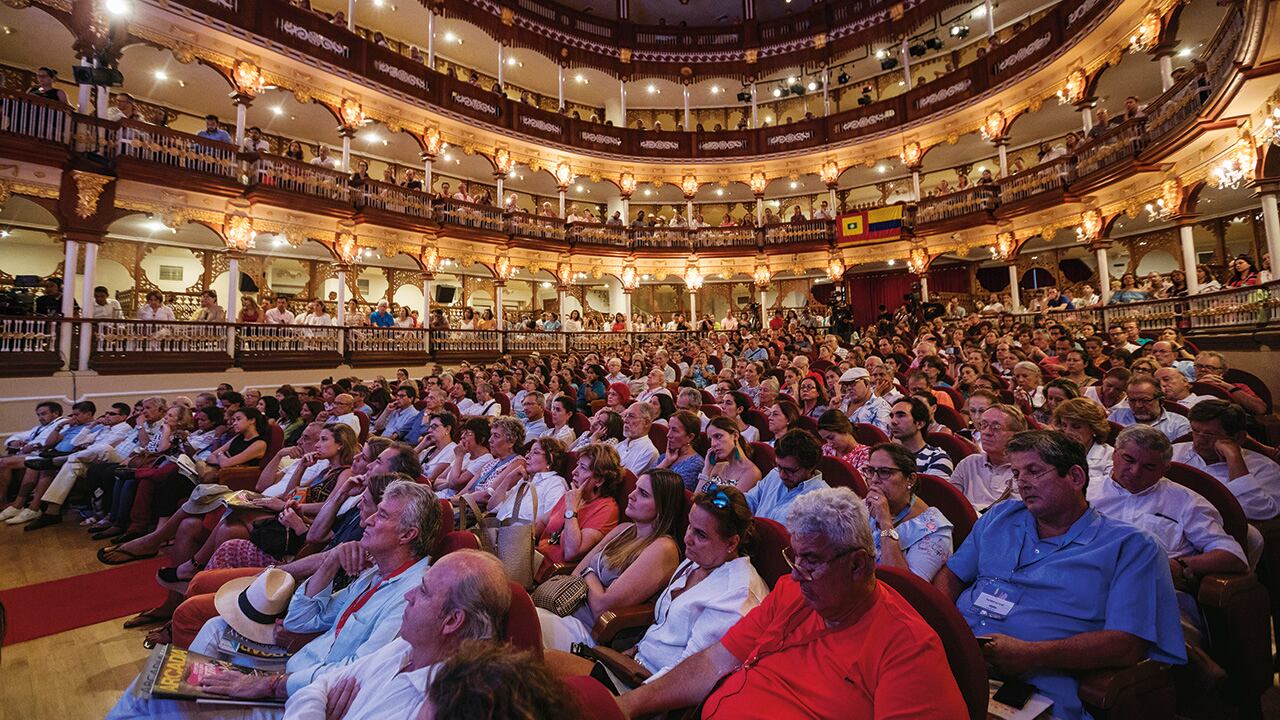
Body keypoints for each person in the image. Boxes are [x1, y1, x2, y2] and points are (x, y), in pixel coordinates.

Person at [616, 486, 968, 718]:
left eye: (811, 561)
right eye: (794, 557)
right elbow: (712, 662)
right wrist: (627, 706)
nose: (797, 573)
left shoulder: (907, 649)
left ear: (858, 564)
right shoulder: (791, 591)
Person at [106, 481, 443, 716]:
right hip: (295, 670)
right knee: (198, 642)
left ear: (407, 534)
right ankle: (198, 692)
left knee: (160, 697)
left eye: (381, 515)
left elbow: (355, 674)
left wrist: (266, 685)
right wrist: (330, 561)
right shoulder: (374, 573)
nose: (366, 521)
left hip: (300, 695)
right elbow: (300, 620)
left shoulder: (410, 595)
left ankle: (194, 700)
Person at [934, 430, 1186, 720]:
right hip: (952, 658)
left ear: (1076, 478)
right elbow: (952, 575)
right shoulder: (1000, 517)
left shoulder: (1131, 547)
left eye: (1034, 471)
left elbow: (1126, 644)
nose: (1022, 482)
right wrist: (943, 627)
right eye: (1017, 473)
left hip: (1033, 681)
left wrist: (1031, 654)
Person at [536, 468, 685, 651]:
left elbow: (601, 607)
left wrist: (589, 573)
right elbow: (575, 575)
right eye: (635, 489)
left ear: (663, 507)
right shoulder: (623, 529)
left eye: (643, 494)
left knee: (520, 621)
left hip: (590, 632)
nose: (631, 495)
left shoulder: (663, 548)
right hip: (565, 609)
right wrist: (594, 582)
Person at [1173, 400, 1280, 525]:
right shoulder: (1174, 452)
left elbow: (1260, 513)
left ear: (1239, 437)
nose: (1199, 441)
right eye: (1195, 431)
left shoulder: (1264, 468)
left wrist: (1234, 458)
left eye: (1209, 434)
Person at [863, 443, 953, 581]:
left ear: (910, 479)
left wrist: (886, 523)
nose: (874, 480)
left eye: (885, 472)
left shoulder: (935, 530)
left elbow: (907, 588)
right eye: (870, 471)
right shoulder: (865, 506)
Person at [534, 443, 623, 572]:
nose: (574, 472)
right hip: (535, 560)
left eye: (583, 468)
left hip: (554, 574)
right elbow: (542, 522)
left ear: (599, 480)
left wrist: (571, 509)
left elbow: (571, 552)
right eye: (577, 465)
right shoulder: (574, 495)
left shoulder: (607, 510)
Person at [949, 404, 1025, 511]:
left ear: (1016, 435)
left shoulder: (1026, 471)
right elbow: (949, 504)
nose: (986, 432)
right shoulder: (969, 463)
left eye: (996, 427)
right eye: (983, 425)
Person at [744, 428, 828, 522]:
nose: (782, 475)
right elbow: (749, 501)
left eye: (790, 470)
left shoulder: (822, 500)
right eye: (779, 466)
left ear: (810, 467)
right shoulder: (774, 474)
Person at [1052, 397, 1115, 487]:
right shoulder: (1055, 452)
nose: (1067, 432)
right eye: (1064, 425)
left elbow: (1108, 492)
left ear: (1093, 428)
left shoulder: (1110, 455)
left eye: (1076, 426)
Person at [1108, 377, 1190, 441]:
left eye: (1145, 400)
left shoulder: (1178, 424)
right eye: (1132, 400)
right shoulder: (1116, 416)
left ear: (1161, 400)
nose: (1138, 405)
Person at [887, 397, 954, 477]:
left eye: (901, 416)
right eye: (892, 416)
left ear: (919, 424)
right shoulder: (887, 455)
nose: (893, 421)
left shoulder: (937, 459)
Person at [1191, 351, 1268, 415]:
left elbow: (1260, 409)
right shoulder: (1187, 386)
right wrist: (1198, 385)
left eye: (1210, 367)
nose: (1203, 370)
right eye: (1199, 366)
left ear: (1222, 372)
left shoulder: (1238, 386)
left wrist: (1228, 387)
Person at [699, 416, 762, 493]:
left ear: (735, 436)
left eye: (718, 436)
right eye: (710, 439)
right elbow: (695, 501)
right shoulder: (716, 467)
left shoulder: (752, 473)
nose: (713, 444)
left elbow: (728, 504)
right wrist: (706, 470)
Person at [656, 411, 705, 490]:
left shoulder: (695, 464)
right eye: (669, 429)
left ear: (690, 437)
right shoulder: (665, 456)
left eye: (674, 430)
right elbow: (643, 482)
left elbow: (671, 494)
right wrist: (666, 462)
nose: (668, 435)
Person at [838, 367, 892, 432]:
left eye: (853, 383)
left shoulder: (881, 407)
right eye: (846, 385)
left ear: (867, 384)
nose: (849, 388)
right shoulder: (842, 403)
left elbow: (882, 438)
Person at [616, 403, 661, 476]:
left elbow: (628, 481)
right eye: (625, 416)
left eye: (631, 416)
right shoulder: (619, 446)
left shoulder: (649, 452)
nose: (625, 420)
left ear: (646, 422)